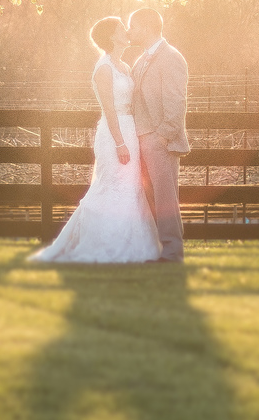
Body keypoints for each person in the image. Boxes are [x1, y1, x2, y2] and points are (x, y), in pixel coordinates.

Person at [27, 16, 162, 263]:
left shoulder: (124, 65)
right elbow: (109, 110)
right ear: (112, 36)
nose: (127, 31)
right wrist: (120, 142)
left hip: (130, 130)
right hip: (113, 135)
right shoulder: (103, 68)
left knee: (131, 188)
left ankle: (130, 245)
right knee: (111, 185)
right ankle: (102, 245)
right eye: (122, 28)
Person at [125, 5, 191, 262]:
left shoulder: (171, 57)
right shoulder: (141, 59)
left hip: (159, 141)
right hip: (140, 140)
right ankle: (155, 249)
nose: (130, 32)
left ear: (147, 27)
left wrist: (162, 137)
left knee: (166, 199)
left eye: (133, 26)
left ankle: (173, 251)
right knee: (148, 198)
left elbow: (176, 101)